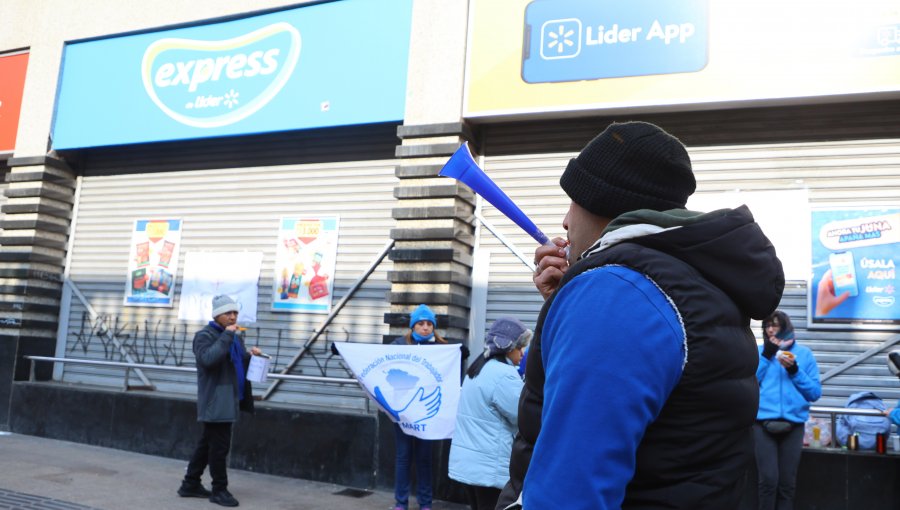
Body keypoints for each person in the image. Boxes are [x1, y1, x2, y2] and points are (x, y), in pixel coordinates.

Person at [497, 121, 785, 510]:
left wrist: (590, 297)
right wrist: (566, 304)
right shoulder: (688, 283)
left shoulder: (614, 294)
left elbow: (569, 494)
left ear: (603, 200)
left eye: (573, 201)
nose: (565, 221)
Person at [177, 294, 261, 507]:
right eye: (228, 313)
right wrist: (227, 336)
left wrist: (252, 356)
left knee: (208, 444)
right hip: (216, 400)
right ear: (217, 315)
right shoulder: (204, 336)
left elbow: (237, 363)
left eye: (235, 313)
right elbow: (208, 360)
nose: (233, 317)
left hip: (232, 398)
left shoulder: (234, 337)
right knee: (219, 448)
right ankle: (219, 490)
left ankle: (190, 484)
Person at [449, 317, 532, 510]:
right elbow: (523, 417)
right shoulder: (503, 374)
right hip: (489, 469)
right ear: (506, 346)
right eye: (519, 347)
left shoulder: (478, 368)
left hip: (470, 465)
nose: (522, 353)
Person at [755, 310, 821, 510]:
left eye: (776, 325)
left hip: (794, 426)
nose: (771, 329)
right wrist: (766, 356)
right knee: (768, 481)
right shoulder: (758, 352)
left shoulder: (804, 354)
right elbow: (748, 384)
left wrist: (794, 370)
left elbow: (814, 392)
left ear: (786, 328)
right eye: (767, 325)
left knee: (787, 484)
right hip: (761, 425)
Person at [390, 304, 447, 510]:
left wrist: (460, 355)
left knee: (424, 459)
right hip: (403, 412)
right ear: (413, 326)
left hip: (426, 415)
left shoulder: (443, 349)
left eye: (429, 324)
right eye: (421, 323)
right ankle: (400, 503)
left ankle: (425, 503)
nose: (425, 327)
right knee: (403, 458)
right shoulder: (399, 345)